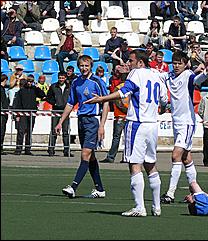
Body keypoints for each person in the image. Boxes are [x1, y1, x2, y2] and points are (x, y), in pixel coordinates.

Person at [84, 49, 169, 217]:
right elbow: (165, 101)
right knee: (150, 164)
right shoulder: (157, 75)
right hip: (152, 125)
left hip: (137, 124)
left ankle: (139, 207)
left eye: (131, 60)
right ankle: (157, 206)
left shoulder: (136, 73)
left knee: (134, 164)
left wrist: (101, 99)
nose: (128, 64)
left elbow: (124, 92)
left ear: (140, 63)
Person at [159, 50, 208, 204]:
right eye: (174, 63)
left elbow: (197, 80)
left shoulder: (188, 75)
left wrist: (206, 73)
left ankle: (170, 193)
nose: (176, 66)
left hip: (187, 122)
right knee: (186, 158)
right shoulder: (168, 76)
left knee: (175, 155)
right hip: (176, 121)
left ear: (185, 64)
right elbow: (156, 77)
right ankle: (196, 192)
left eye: (179, 63)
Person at [56, 55, 109, 199]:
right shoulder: (75, 82)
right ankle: (100, 189)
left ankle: (73, 187)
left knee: (85, 154)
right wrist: (61, 121)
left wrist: (102, 125)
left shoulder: (97, 82)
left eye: (86, 66)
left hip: (92, 121)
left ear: (91, 66)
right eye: (81, 66)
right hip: (81, 121)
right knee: (90, 157)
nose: (84, 68)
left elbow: (106, 102)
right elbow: (70, 103)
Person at [13, 74, 46, 155]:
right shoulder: (22, 90)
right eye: (28, 81)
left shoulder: (35, 89)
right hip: (23, 114)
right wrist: (17, 115)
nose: (29, 83)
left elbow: (42, 95)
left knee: (29, 132)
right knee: (21, 131)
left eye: (31, 81)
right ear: (26, 81)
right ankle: (18, 149)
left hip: (32, 113)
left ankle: (27, 149)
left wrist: (37, 87)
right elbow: (17, 103)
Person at [46, 71, 73, 157]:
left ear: (65, 78)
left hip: (66, 111)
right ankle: (51, 150)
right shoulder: (53, 86)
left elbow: (72, 97)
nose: (61, 79)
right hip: (56, 111)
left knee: (65, 131)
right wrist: (55, 103)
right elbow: (48, 97)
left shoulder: (69, 87)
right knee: (54, 130)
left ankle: (66, 150)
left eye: (62, 78)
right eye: (60, 77)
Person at [1, 74, 9, 155]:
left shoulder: (3, 89)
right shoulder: (1, 90)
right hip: (2, 113)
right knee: (1, 130)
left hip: (4, 112)